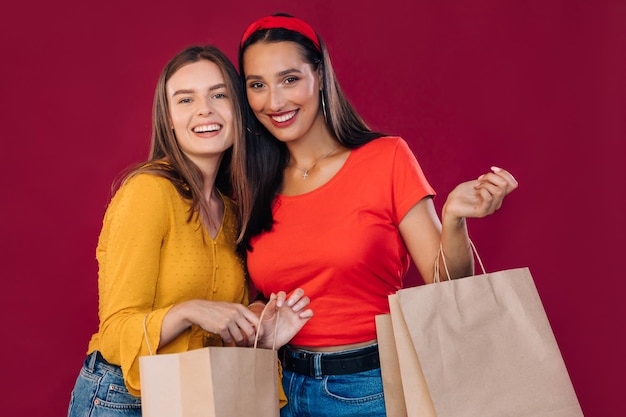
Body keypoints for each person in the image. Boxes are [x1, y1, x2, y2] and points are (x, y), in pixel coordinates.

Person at [235, 14, 519, 417]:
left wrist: (454, 218)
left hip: (368, 389)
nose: (274, 102)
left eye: (289, 79)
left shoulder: (386, 158)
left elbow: (448, 284)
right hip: (276, 390)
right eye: (257, 85)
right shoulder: (251, 184)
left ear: (319, 75)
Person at [67, 44, 313, 417]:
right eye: (185, 100)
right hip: (123, 399)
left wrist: (259, 334)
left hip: (194, 398)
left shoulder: (233, 213)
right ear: (167, 118)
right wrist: (188, 311)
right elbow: (115, 332)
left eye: (219, 94)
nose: (204, 110)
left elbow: (213, 334)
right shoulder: (148, 193)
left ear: (238, 109)